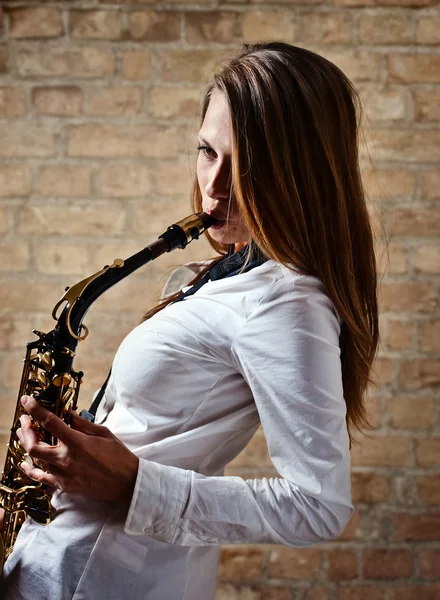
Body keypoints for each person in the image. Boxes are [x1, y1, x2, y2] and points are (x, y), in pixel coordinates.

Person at [0, 41, 379, 600]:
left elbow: (318, 506)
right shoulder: (231, 268)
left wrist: (134, 483)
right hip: (62, 557)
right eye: (207, 152)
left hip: (105, 579)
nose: (215, 186)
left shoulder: (286, 305)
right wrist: (71, 435)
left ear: (302, 173)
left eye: (248, 166)